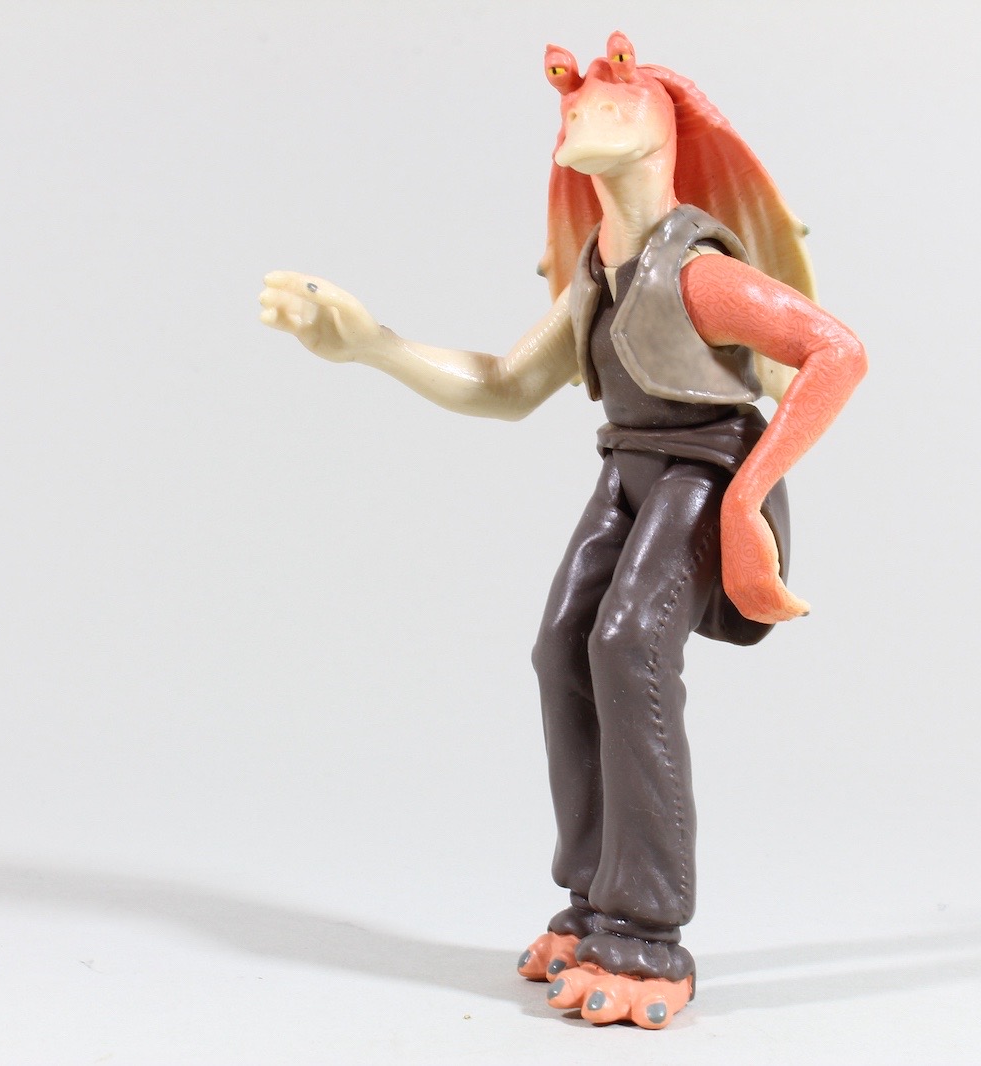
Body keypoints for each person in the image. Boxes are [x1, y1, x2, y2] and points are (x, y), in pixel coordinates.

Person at [259, 31, 866, 1029]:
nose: (585, 100)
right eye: (571, 95)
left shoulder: (700, 274)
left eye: (614, 89)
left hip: (699, 469)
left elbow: (835, 351)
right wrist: (373, 345)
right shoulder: (596, 273)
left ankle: (648, 934)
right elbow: (505, 386)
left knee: (628, 645)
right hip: (628, 467)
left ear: (663, 125)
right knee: (563, 648)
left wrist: (749, 493)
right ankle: (591, 905)